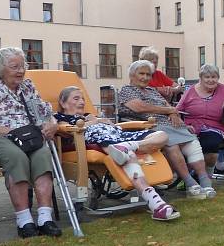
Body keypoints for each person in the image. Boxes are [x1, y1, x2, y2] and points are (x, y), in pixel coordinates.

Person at [0, 47, 62, 238]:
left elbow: (44, 113)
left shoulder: (27, 86)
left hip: (26, 136)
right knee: (16, 156)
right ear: (1, 68)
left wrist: (53, 125)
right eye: (14, 67)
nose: (20, 71)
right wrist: (12, 132)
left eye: (22, 66)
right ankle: (24, 220)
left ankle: (45, 218)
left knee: (43, 154)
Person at [55, 86, 180, 221]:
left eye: (83, 98)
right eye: (76, 98)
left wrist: (100, 121)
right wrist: (95, 121)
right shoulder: (60, 117)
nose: (82, 101)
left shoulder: (89, 115)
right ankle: (156, 203)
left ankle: (126, 147)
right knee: (127, 155)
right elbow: (66, 129)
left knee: (162, 135)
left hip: (118, 136)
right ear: (63, 103)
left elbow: (112, 126)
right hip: (93, 137)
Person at [118, 60, 215, 199]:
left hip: (167, 125)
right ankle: (190, 183)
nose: (145, 77)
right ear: (132, 75)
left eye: (148, 74)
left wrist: (176, 116)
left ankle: (204, 180)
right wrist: (168, 110)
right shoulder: (127, 90)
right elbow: (140, 107)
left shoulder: (152, 90)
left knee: (192, 142)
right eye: (141, 74)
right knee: (172, 145)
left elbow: (170, 108)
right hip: (148, 127)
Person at [175, 64, 224, 175]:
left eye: (214, 77)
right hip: (191, 128)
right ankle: (191, 176)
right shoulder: (190, 91)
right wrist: (183, 125)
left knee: (209, 146)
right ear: (201, 78)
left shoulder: (223, 89)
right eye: (207, 77)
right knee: (180, 145)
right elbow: (177, 109)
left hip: (214, 128)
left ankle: (204, 175)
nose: (211, 80)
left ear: (218, 78)